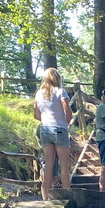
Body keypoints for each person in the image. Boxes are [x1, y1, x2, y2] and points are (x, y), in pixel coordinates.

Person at [33, 68, 73, 200]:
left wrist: (46, 119)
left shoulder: (39, 94)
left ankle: (45, 197)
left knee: (48, 165)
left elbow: (36, 114)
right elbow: (68, 112)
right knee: (64, 166)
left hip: (45, 129)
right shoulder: (61, 91)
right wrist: (65, 123)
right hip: (59, 129)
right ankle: (67, 195)